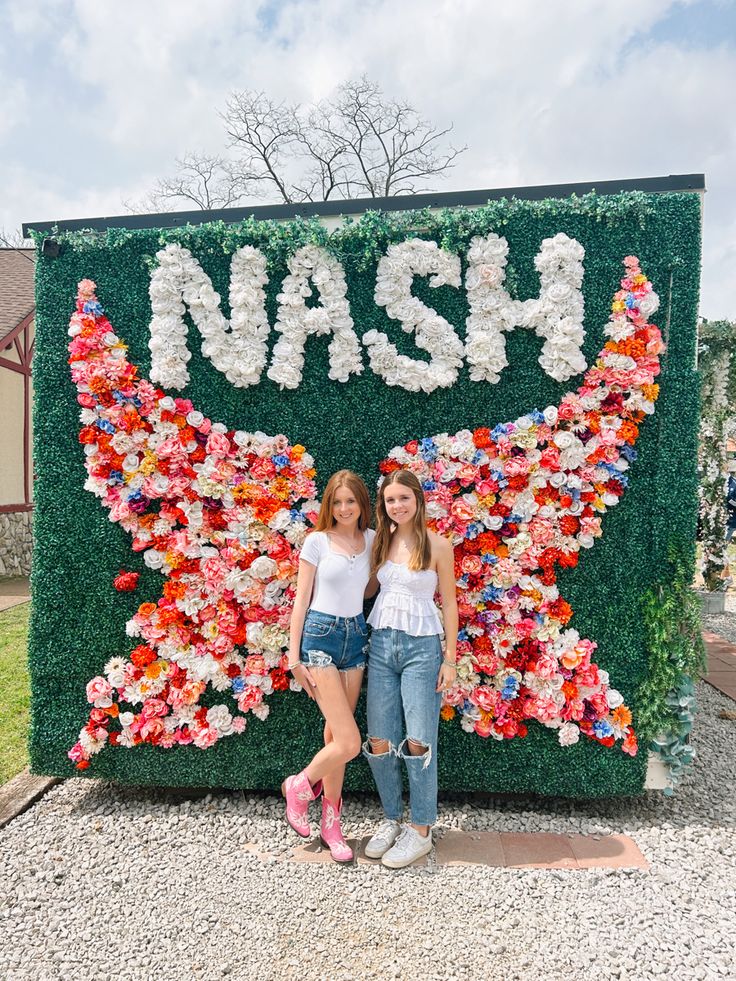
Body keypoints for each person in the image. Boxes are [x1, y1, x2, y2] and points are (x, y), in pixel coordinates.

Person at [363, 469, 458, 868]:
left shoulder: (438, 545)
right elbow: (365, 589)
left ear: (418, 499)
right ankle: (391, 818)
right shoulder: (380, 543)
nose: (397, 506)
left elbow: (450, 603)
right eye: (389, 500)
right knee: (380, 739)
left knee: (419, 741)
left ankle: (420, 829)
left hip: (423, 648)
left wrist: (450, 658)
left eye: (403, 498)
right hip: (382, 644)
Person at [282, 470, 375, 863]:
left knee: (335, 736)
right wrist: (293, 657)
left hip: (356, 638)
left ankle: (331, 824)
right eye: (336, 502)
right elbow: (301, 600)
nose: (343, 509)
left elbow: (370, 586)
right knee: (351, 743)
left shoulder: (372, 540)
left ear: (361, 504)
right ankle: (299, 786)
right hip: (320, 637)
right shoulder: (317, 541)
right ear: (328, 506)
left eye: (350, 501)